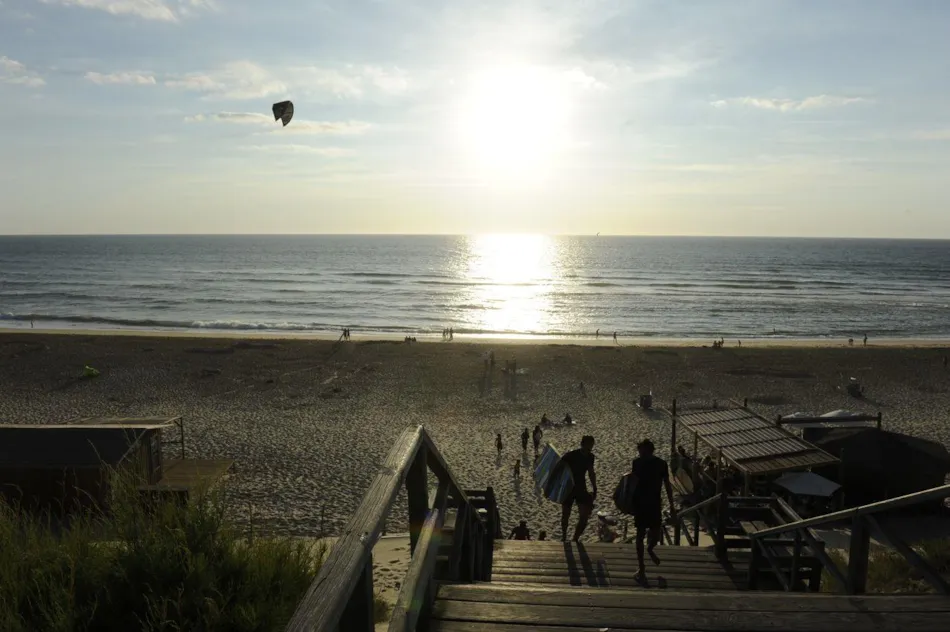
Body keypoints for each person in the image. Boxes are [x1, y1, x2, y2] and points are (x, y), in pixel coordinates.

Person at [630, 439, 675, 583]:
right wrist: (628, 502)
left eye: (642, 451)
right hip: (640, 502)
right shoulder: (636, 463)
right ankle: (641, 568)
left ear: (650, 450)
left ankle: (650, 549)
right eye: (639, 451)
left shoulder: (661, 464)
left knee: (655, 534)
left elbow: (667, 484)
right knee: (640, 534)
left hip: (654, 503)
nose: (640, 453)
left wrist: (672, 504)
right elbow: (633, 482)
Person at [548, 435, 597, 542]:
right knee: (566, 514)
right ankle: (564, 536)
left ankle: (575, 538)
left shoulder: (590, 457)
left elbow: (591, 472)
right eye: (589, 445)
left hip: (581, 487)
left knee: (584, 517)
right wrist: (551, 484)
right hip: (568, 487)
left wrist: (594, 487)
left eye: (592, 445)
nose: (590, 447)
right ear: (582, 444)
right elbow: (558, 468)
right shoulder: (571, 455)